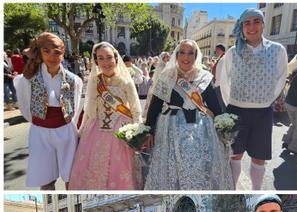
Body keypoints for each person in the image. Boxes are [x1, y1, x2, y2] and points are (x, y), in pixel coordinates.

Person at [144, 39, 232, 190]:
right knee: (171, 167)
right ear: (177, 55)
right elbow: (155, 106)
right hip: (170, 130)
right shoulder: (166, 77)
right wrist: (149, 130)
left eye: (191, 53)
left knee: (201, 166)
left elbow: (215, 107)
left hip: (201, 131)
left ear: (196, 56)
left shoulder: (204, 77)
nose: (186, 57)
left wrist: (224, 130)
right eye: (182, 53)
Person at [219, 9, 288, 190]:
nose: (251, 27)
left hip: (262, 112)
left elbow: (281, 78)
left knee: (259, 157)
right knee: (234, 155)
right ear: (241, 27)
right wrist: (231, 105)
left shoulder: (277, 50)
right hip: (236, 111)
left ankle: (256, 189)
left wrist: (265, 100)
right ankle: (233, 188)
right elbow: (224, 80)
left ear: (263, 24)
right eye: (246, 23)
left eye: (256, 21)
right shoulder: (233, 52)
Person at [68, 42, 143, 190]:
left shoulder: (126, 82)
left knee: (121, 168)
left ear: (116, 59)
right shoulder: (95, 80)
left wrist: (138, 133)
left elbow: (135, 109)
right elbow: (89, 109)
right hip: (96, 128)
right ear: (96, 61)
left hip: (121, 130)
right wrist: (82, 130)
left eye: (109, 57)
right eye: (101, 58)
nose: (105, 62)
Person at [13, 32, 83, 190]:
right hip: (40, 132)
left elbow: (75, 106)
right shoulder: (28, 80)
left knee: (71, 176)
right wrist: (40, 122)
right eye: (47, 51)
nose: (52, 56)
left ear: (63, 54)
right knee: (46, 180)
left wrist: (64, 123)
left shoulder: (74, 80)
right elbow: (25, 108)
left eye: (57, 52)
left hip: (66, 130)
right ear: (40, 53)